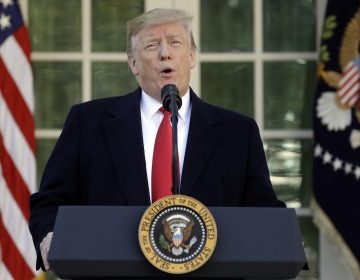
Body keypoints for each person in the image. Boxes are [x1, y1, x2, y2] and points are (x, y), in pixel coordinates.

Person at [29, 8, 285, 271]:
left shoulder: (238, 132)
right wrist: (51, 235)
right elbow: (50, 200)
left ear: (192, 55)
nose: (165, 52)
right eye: (152, 45)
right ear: (133, 64)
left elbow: (262, 209)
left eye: (175, 42)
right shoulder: (88, 122)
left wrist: (282, 236)